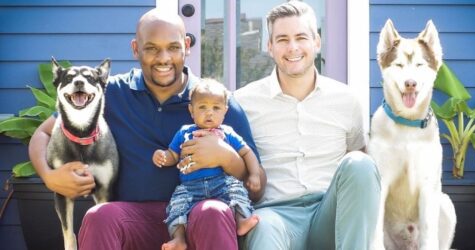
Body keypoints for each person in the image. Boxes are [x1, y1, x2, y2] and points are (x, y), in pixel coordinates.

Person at [29, 8, 265, 250]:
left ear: (186, 45)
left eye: (173, 47)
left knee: (214, 210)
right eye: (151, 48)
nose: (163, 58)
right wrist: (50, 176)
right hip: (133, 218)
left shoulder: (214, 102)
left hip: (199, 219)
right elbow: (44, 132)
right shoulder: (112, 93)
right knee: (99, 216)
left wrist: (227, 157)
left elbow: (257, 189)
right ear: (135, 49)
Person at [234, 1, 381, 249]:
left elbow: (358, 177)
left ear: (317, 42)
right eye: (282, 39)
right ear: (269, 46)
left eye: (301, 37)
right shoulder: (243, 102)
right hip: (275, 216)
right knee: (264, 227)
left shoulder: (347, 100)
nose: (292, 47)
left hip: (329, 214)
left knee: (361, 164)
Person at [152, 79, 261, 250]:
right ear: (191, 110)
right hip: (190, 187)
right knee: (176, 207)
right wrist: (163, 156)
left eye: (216, 108)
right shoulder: (185, 132)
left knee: (237, 192)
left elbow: (247, 152)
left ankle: (241, 221)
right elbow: (173, 154)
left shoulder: (227, 133)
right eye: (202, 107)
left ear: (225, 111)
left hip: (221, 183)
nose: (209, 113)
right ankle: (179, 239)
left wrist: (254, 174)